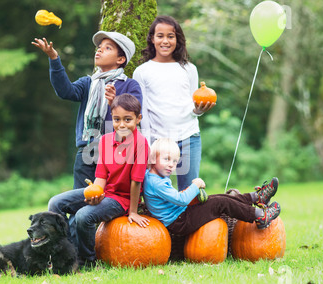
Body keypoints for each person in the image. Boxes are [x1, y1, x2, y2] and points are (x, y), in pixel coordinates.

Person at [48, 94, 150, 267]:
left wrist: (133, 211)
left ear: (138, 119)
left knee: (83, 216)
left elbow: (136, 182)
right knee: (55, 203)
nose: (122, 124)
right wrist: (94, 193)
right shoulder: (104, 141)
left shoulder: (141, 144)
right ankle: (68, 254)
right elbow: (101, 176)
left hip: (122, 200)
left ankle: (88, 261)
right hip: (106, 192)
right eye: (117, 119)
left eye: (128, 119)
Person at [32, 31, 142, 190]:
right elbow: (65, 91)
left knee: (109, 197)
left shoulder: (130, 85)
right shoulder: (88, 83)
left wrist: (115, 102)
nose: (99, 50)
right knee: (81, 198)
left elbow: (134, 114)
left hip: (117, 150)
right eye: (99, 47)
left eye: (108, 48)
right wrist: (54, 59)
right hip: (87, 150)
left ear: (120, 59)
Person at [133, 15, 214, 192]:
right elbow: (143, 112)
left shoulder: (189, 69)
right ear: (152, 39)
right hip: (158, 141)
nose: (165, 41)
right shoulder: (142, 72)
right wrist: (147, 146)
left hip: (188, 137)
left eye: (171, 36)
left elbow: (193, 106)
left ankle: (190, 220)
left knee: (190, 192)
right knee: (158, 193)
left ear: (178, 39)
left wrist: (199, 110)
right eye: (160, 35)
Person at [143, 138, 281, 236]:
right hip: (179, 222)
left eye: (174, 161)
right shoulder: (156, 183)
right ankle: (260, 216)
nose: (171, 165)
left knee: (218, 198)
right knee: (220, 203)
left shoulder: (153, 176)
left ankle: (257, 197)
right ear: (153, 159)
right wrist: (195, 185)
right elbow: (181, 200)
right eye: (166, 159)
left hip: (181, 216)